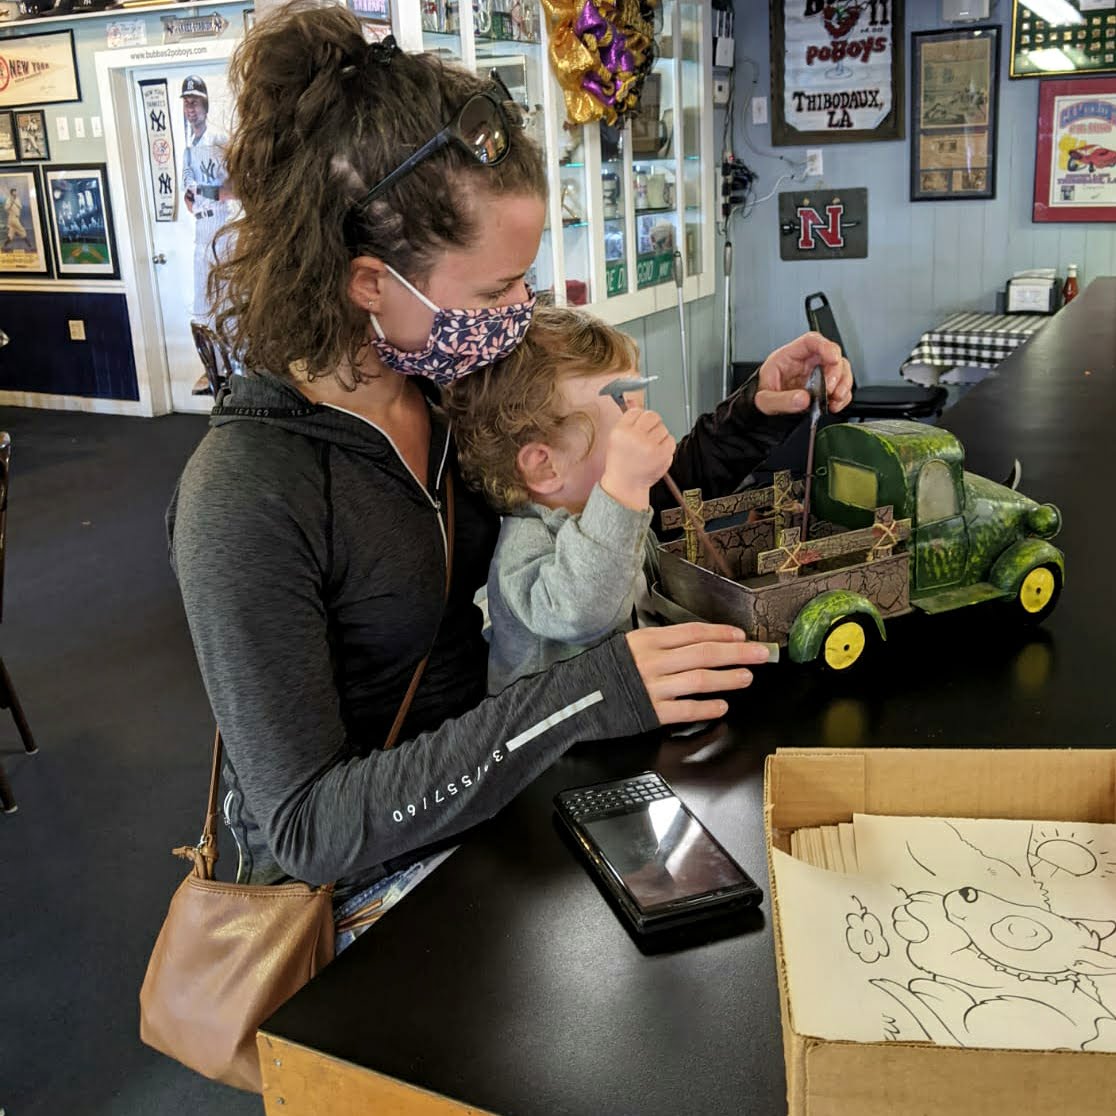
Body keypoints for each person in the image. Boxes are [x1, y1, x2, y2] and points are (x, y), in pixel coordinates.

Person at [168, 2, 852, 947]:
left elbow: (595, 493)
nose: (520, 312)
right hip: (366, 896)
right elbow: (309, 827)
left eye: (524, 282)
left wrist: (750, 415)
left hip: (504, 797)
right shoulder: (245, 496)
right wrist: (587, 693)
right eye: (496, 290)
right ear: (372, 283)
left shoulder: (450, 383)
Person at [446, 305, 687, 693]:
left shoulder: (601, 509)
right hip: (569, 746)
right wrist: (624, 489)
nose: (643, 431)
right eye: (624, 421)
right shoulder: (526, 546)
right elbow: (583, 612)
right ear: (544, 467)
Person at [180, 75, 232, 324]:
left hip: (222, 224)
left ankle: (233, 362)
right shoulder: (188, 145)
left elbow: (238, 190)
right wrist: (190, 197)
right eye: (187, 103)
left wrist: (205, 192)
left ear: (205, 105)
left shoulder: (219, 139)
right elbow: (189, 195)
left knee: (225, 301)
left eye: (195, 102)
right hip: (201, 227)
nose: (191, 108)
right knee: (202, 304)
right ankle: (213, 361)